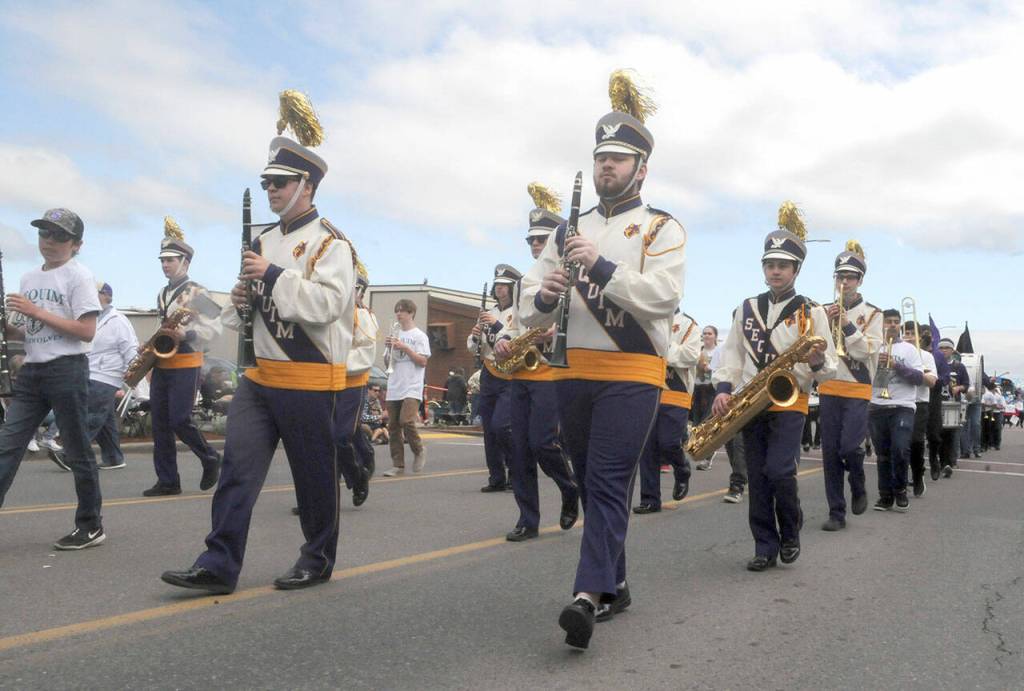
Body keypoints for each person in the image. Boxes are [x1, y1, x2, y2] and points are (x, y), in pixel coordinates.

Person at [162, 100, 361, 594]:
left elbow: (331, 305)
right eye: (267, 183)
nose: (270, 190)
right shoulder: (262, 238)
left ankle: (317, 558)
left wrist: (271, 275)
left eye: (281, 183)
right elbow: (247, 310)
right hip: (260, 376)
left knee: (313, 478)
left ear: (307, 186)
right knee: (237, 471)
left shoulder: (331, 245)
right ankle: (219, 563)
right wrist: (238, 299)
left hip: (310, 379)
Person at [520, 70, 686, 649]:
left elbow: (664, 297)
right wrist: (545, 295)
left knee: (610, 479)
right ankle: (615, 579)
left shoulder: (662, 229)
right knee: (594, 484)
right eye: (601, 159)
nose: (606, 168)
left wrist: (604, 268)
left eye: (619, 159)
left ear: (642, 168)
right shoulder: (567, 228)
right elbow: (527, 307)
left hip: (633, 375)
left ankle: (586, 596)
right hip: (573, 372)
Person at [712, 202, 836, 572]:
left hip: (790, 401)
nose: (775, 271)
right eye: (770, 264)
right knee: (758, 477)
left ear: (796, 269)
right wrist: (722, 388)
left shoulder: (811, 311)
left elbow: (828, 368)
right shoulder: (746, 308)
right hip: (751, 403)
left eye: (783, 265)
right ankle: (764, 545)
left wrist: (815, 361)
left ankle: (791, 530)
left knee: (780, 470)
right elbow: (731, 354)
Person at [0, 208, 105, 549]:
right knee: (6, 445)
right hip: (32, 372)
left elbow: (86, 331)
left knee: (76, 451)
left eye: (59, 236)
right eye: (45, 233)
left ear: (77, 244)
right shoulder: (29, 278)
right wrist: (9, 326)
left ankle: (90, 525)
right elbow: (26, 329)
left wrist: (36, 311)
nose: (49, 241)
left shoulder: (79, 276)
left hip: (67, 369)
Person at [496, 185, 578, 541]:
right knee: (515, 444)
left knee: (543, 442)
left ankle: (568, 485)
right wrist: (502, 340)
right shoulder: (523, 284)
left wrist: (558, 331)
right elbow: (513, 323)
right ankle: (528, 519)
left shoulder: (572, 276)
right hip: (520, 371)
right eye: (531, 241)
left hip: (551, 372)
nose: (535, 247)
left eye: (542, 240)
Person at [143, 218, 222, 496]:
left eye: (171, 260)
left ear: (185, 262)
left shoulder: (198, 292)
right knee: (160, 425)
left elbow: (215, 328)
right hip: (163, 364)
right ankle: (168, 480)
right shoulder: (163, 294)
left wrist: (185, 336)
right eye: (162, 260)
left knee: (179, 419)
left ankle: (210, 456)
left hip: (187, 363)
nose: (165, 265)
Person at [817, 243, 882, 531]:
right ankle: (836, 512)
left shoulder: (872, 315)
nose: (844, 283)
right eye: (840, 277)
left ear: (860, 280)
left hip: (856, 389)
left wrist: (846, 326)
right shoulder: (822, 311)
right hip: (829, 387)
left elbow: (868, 350)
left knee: (850, 448)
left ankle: (857, 482)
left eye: (850, 277)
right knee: (830, 453)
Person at [633, 309, 700, 514]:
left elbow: (691, 355)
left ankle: (682, 469)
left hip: (676, 392)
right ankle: (650, 499)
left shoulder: (688, 324)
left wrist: (660, 348)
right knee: (647, 447)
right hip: (648, 389)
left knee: (669, 442)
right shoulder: (644, 319)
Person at [869, 309, 924, 512]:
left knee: (900, 449)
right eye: (888, 322)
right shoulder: (873, 347)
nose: (892, 325)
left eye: (895, 322)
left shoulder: (909, 349)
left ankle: (900, 489)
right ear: (881, 325)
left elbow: (919, 378)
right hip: (876, 405)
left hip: (903, 405)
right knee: (882, 454)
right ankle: (885, 496)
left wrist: (895, 365)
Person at [467, 266, 517, 491]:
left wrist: (496, 326)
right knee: (488, 428)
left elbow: (514, 338)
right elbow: (473, 346)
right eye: (497, 285)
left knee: (502, 426)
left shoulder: (518, 311)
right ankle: (496, 477)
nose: (499, 289)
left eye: (504, 285)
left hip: (510, 374)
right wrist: (475, 336)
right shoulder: (489, 311)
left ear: (512, 288)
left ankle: (515, 473)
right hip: (489, 371)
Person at [88, 281, 139, 469]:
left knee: (90, 415)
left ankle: (71, 454)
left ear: (107, 296)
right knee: (105, 419)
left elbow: (130, 348)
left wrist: (133, 374)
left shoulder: (118, 320)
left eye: (94, 293)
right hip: (90, 373)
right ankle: (113, 458)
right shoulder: (91, 318)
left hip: (106, 375)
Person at [338, 269, 378, 505]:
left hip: (351, 383)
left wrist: (334, 359)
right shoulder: (329, 312)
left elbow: (364, 356)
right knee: (324, 440)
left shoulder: (364, 317)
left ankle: (357, 476)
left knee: (340, 436)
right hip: (324, 382)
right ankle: (318, 497)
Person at [381, 298, 430, 477]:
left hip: (412, 385)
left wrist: (405, 347)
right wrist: (389, 348)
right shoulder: (394, 333)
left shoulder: (419, 336)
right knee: (393, 426)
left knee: (406, 420)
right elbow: (387, 361)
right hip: (394, 384)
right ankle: (398, 465)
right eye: (397, 311)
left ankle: (418, 450)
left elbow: (423, 361)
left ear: (411, 313)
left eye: (402, 311)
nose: (398, 314)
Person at [903, 323, 938, 491]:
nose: (908, 336)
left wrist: (914, 372)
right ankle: (900, 480)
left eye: (912, 333)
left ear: (919, 337)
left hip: (919, 402)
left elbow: (932, 382)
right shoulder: (895, 353)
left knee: (916, 441)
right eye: (906, 333)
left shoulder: (926, 356)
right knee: (899, 443)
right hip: (900, 401)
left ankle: (918, 474)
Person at [935, 338, 969, 477]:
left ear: (952, 350)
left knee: (949, 435)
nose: (943, 350)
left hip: (952, 404)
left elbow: (966, 385)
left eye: (946, 348)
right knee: (937, 435)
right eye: (941, 348)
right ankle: (940, 462)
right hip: (936, 403)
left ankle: (947, 463)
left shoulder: (959, 366)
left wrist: (959, 387)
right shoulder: (933, 364)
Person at [691, 325, 718, 427]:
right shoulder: (697, 351)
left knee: (707, 420)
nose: (706, 335)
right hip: (697, 389)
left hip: (711, 389)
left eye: (709, 333)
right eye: (705, 333)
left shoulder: (719, 351)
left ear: (715, 336)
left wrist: (709, 369)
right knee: (696, 420)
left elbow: (722, 370)